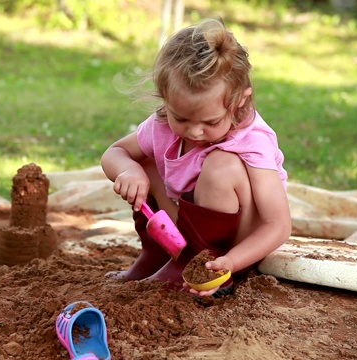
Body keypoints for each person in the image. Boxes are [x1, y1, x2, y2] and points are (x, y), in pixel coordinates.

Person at [100, 18, 291, 297]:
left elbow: (278, 225)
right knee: (143, 161)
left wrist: (232, 261)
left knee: (221, 164)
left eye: (210, 122)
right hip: (189, 233)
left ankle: (202, 266)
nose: (195, 131)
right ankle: (159, 257)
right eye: (182, 118)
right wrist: (129, 171)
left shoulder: (252, 140)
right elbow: (115, 153)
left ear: (241, 101)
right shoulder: (164, 124)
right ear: (166, 99)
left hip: (238, 245)